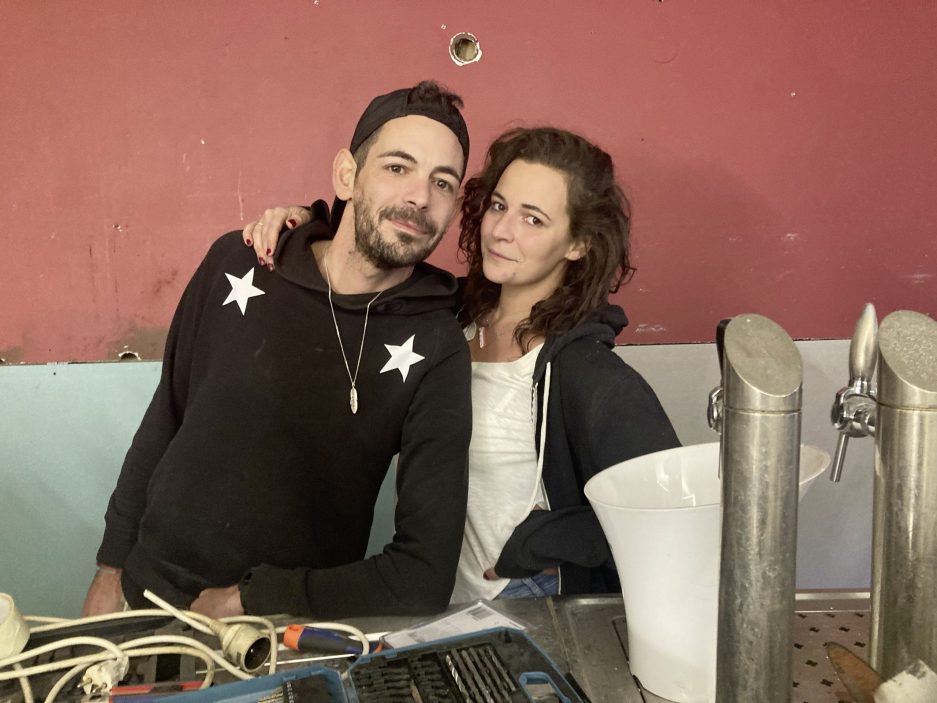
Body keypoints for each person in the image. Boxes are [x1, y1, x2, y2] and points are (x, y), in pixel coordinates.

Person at [83, 81, 473, 620]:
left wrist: (255, 598)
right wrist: (110, 567)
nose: (419, 197)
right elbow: (166, 416)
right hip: (143, 598)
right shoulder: (239, 262)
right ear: (347, 175)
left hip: (281, 634)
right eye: (397, 167)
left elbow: (424, 576)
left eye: (443, 182)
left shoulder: (437, 344)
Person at [246, 127, 680, 603]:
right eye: (499, 206)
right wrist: (307, 225)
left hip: (523, 599)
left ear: (578, 243)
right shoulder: (444, 317)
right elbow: (367, 259)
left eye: (533, 219)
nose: (501, 231)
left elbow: (674, 514)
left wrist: (545, 543)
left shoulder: (587, 373)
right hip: (434, 601)